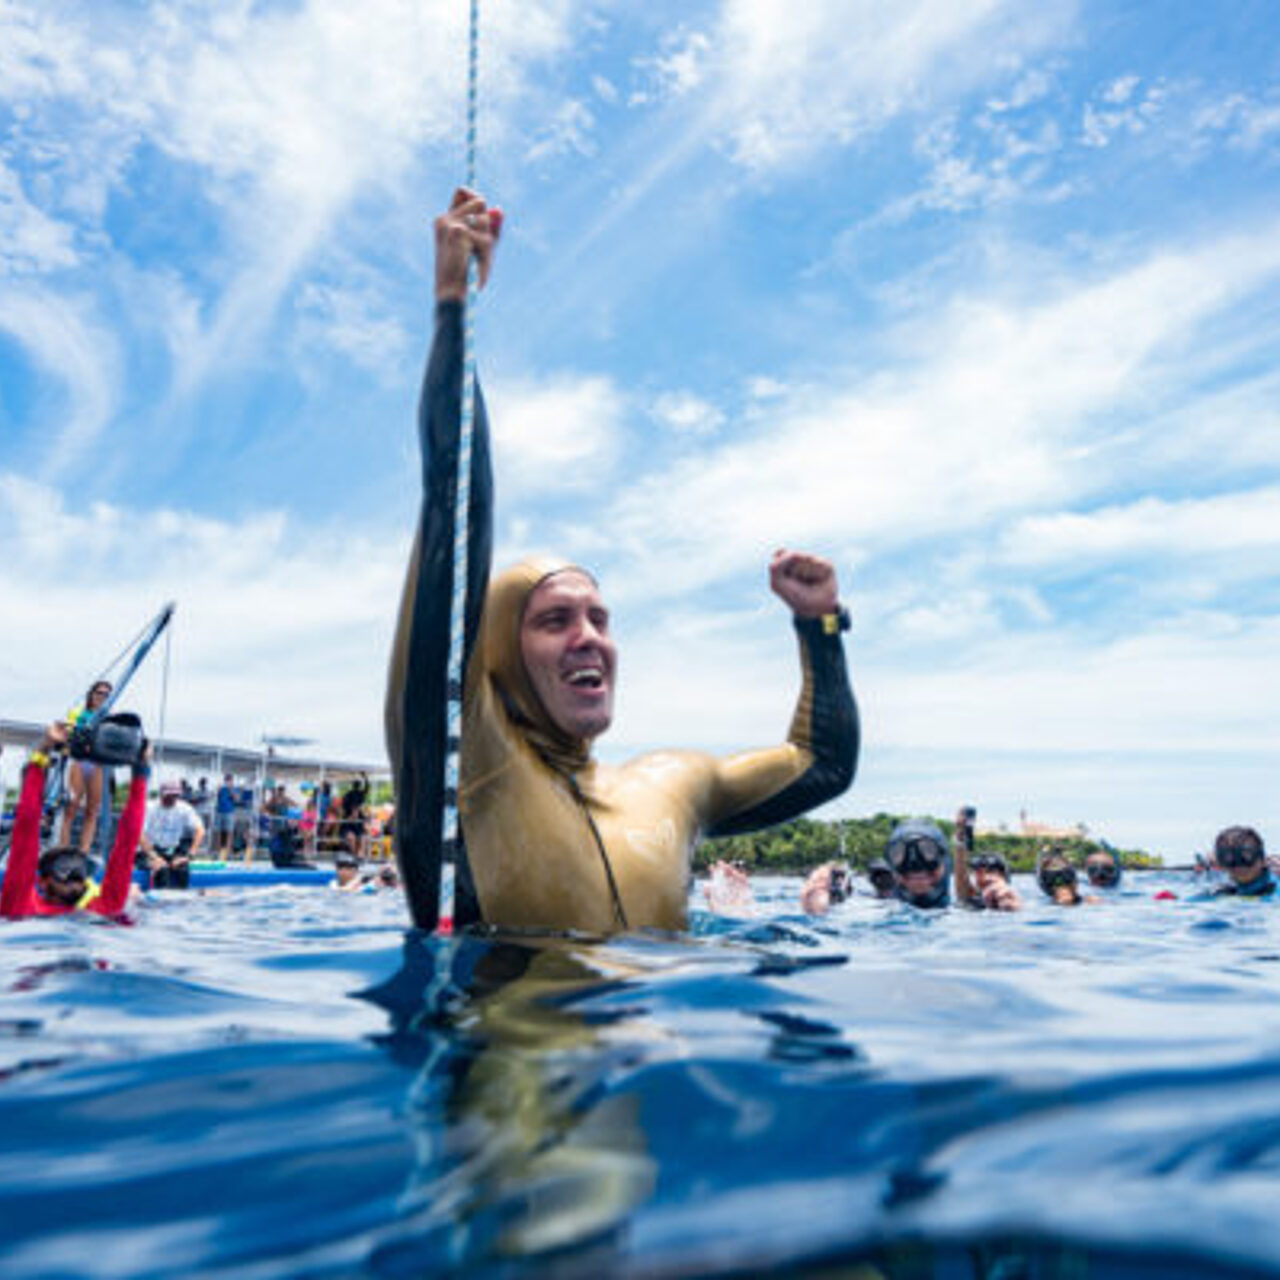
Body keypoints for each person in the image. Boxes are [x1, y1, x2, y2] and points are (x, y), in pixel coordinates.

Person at [386, 188, 859, 934]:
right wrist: (456, 308)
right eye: (553, 620)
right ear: (500, 652)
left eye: (598, 618)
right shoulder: (467, 758)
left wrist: (820, 625)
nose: (589, 636)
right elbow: (455, 499)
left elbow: (821, 764)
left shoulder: (670, 785)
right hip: (515, 1043)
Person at [2, 720, 149, 920]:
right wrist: (43, 750)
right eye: (64, 869)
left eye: (80, 871)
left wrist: (141, 770)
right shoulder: (21, 906)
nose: (75, 877)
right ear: (42, 881)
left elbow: (127, 841)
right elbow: (27, 826)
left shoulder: (103, 907)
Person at [57, 679, 113, 853]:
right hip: (80, 761)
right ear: (92, 694)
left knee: (92, 811)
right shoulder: (79, 713)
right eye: (99, 693)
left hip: (97, 763)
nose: (102, 697)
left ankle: (83, 851)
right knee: (72, 807)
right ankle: (63, 849)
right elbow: (67, 733)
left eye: (106, 694)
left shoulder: (108, 718)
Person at [139, 780, 206, 889]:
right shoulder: (149, 807)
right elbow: (139, 833)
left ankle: (180, 901)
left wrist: (189, 855)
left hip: (171, 850)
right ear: (161, 794)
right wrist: (153, 856)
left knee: (182, 869)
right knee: (162, 869)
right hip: (149, 851)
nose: (172, 798)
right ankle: (161, 901)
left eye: (175, 795)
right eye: (169, 795)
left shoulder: (184, 808)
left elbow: (200, 830)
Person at [953, 806, 1021, 911]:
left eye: (990, 870)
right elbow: (961, 878)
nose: (983, 875)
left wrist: (1006, 899)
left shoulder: (1008, 896)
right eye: (978, 870)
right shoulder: (972, 900)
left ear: (1003, 875)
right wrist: (961, 835)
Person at [1211, 826, 1273, 897]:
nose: (1239, 865)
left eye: (1246, 856)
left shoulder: (1274, 890)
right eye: (1229, 857)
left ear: (1263, 860)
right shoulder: (1223, 889)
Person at [213, 773, 237, 856]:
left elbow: (235, 798)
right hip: (220, 811)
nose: (227, 781)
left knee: (229, 831)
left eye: (229, 780)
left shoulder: (234, 788)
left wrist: (231, 789)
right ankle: (219, 849)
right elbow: (216, 796)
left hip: (229, 812)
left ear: (232, 781)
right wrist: (218, 789)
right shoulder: (221, 788)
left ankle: (228, 850)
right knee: (219, 831)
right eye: (226, 780)